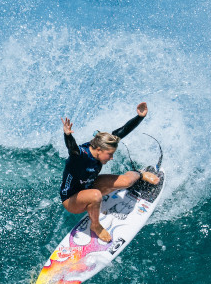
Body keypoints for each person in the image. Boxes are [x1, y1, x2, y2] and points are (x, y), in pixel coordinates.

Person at [59, 102, 160, 243]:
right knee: (95, 195)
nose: (112, 158)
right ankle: (95, 225)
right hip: (72, 200)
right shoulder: (80, 156)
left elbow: (122, 131)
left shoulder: (103, 145)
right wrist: (67, 135)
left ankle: (140, 174)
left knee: (127, 181)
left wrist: (139, 117)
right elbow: (72, 148)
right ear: (99, 150)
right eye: (110, 154)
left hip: (90, 184)